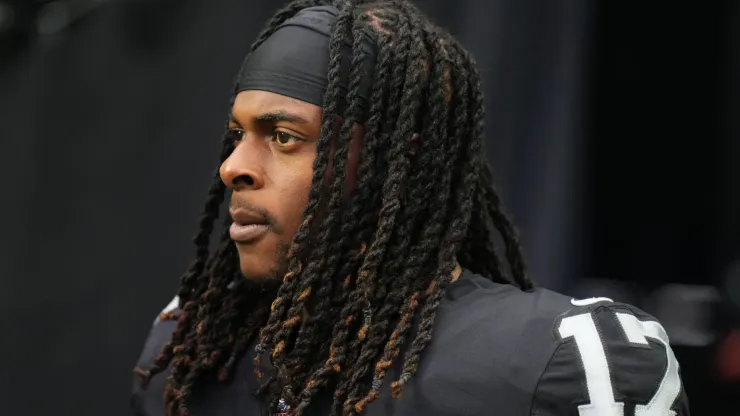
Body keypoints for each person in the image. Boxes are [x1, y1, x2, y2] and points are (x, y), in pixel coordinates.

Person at [131, 1, 691, 415]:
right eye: (237, 134)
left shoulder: (562, 363)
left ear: (389, 163)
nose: (234, 166)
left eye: (282, 136)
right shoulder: (188, 350)